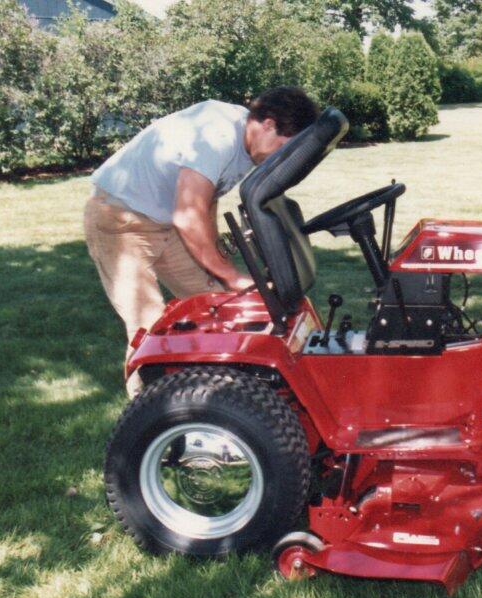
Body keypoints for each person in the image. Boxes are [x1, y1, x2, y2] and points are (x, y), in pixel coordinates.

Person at [83, 86, 318, 396]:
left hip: (168, 223)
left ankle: (226, 393)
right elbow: (188, 215)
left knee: (220, 306)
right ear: (268, 124)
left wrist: (218, 263)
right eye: (283, 147)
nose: (280, 158)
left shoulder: (251, 144)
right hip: (120, 220)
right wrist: (229, 274)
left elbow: (205, 201)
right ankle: (150, 410)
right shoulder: (217, 135)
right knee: (150, 328)